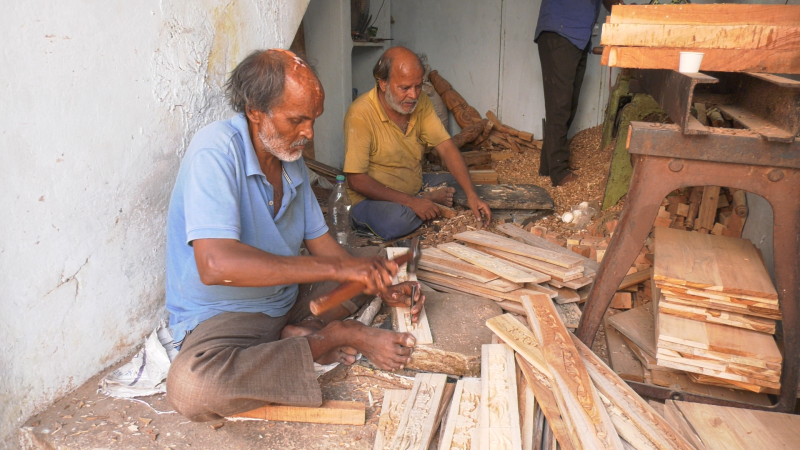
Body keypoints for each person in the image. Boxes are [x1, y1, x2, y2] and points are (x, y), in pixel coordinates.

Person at [164, 49, 425, 422]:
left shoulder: (291, 162)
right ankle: (330, 337)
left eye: (313, 120)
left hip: (285, 300)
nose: (309, 133)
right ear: (255, 110)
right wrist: (335, 272)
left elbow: (327, 251)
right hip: (224, 317)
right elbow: (215, 264)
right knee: (192, 388)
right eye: (297, 120)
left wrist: (383, 283)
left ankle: (297, 336)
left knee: (373, 268)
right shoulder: (216, 152)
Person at [343, 46, 492, 241]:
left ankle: (423, 201)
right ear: (383, 83)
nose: (413, 95)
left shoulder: (420, 103)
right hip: (371, 201)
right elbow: (356, 180)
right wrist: (413, 202)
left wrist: (472, 195)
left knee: (461, 181)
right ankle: (425, 201)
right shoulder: (360, 113)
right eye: (404, 88)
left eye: (418, 86)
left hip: (412, 185)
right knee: (396, 221)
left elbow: (446, 147)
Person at [535, 0, 620, 187]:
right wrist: (625, 10)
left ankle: (548, 167)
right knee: (560, 104)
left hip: (576, 36)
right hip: (561, 32)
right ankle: (558, 171)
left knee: (566, 104)